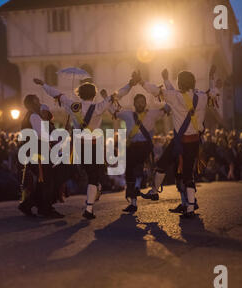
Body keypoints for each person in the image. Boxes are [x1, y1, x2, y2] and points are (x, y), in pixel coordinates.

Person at [34, 77, 134, 220]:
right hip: (93, 146)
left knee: (68, 172)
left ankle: (46, 200)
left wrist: (43, 84)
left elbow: (56, 93)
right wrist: (130, 83)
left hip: (76, 146)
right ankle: (89, 208)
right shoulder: (99, 107)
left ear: (79, 94)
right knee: (93, 177)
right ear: (94, 94)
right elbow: (118, 95)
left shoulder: (73, 105)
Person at [135, 66, 218, 218]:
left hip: (179, 142)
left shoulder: (175, 97)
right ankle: (189, 206)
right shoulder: (202, 97)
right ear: (192, 83)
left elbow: (156, 91)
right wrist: (211, 78)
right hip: (194, 142)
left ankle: (154, 191)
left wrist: (141, 81)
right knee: (186, 174)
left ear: (180, 84)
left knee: (162, 165)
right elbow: (213, 93)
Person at [113, 92, 169, 213]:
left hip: (145, 146)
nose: (140, 104)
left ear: (145, 103)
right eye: (138, 102)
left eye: (142, 102)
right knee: (129, 173)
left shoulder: (152, 114)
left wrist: (161, 95)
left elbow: (167, 108)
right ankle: (133, 202)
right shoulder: (128, 114)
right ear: (134, 104)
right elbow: (114, 111)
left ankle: (146, 189)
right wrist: (111, 98)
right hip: (131, 146)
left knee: (141, 169)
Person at [19, 94, 64, 219]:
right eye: (37, 101)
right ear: (32, 103)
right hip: (38, 152)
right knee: (46, 181)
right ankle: (45, 209)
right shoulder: (33, 116)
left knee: (43, 181)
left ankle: (29, 205)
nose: (39, 103)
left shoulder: (31, 116)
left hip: (36, 151)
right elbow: (41, 135)